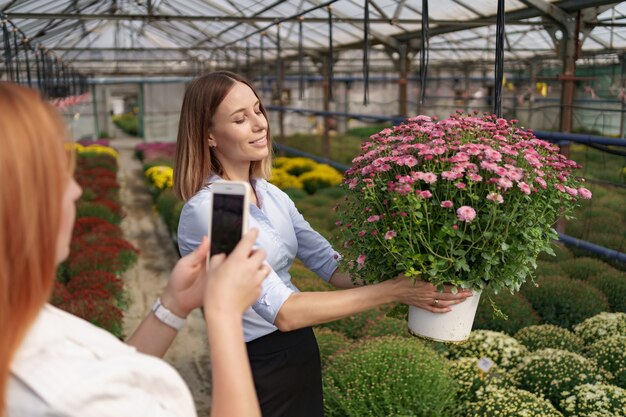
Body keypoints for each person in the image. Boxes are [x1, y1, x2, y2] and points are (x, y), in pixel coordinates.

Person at [174, 71, 474, 417]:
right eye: (240, 119)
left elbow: (332, 266)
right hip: (256, 364)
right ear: (209, 136)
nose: (260, 125)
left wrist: (413, 255)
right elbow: (282, 312)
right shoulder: (214, 210)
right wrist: (395, 290)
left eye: (258, 111)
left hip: (298, 350)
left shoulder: (269, 193)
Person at [0, 82, 269, 417]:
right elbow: (97, 389)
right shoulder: (71, 396)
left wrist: (173, 305)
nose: (74, 191)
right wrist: (224, 316)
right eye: (57, 175)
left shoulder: (21, 322)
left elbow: (112, 368)